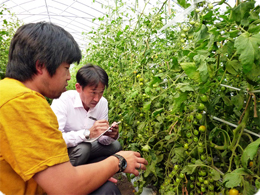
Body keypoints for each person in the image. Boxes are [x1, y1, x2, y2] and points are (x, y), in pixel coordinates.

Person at [0, 22, 148, 195]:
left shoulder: (8, 92)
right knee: (108, 189)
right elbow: (65, 186)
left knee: (108, 172)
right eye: (66, 68)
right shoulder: (23, 102)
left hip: (37, 182)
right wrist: (119, 161)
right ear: (41, 66)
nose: (68, 77)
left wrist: (97, 165)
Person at [51, 64, 122, 166]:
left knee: (115, 145)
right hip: (64, 152)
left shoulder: (102, 103)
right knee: (83, 148)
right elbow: (54, 140)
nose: (97, 99)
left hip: (86, 149)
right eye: (93, 92)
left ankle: (90, 170)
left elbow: (102, 140)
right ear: (78, 88)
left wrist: (110, 135)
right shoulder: (63, 100)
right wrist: (87, 133)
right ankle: (68, 176)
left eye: (101, 92)